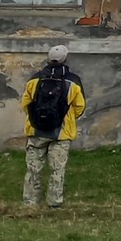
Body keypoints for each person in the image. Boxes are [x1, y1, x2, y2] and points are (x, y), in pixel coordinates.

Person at [20, 44, 85, 209]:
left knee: (33, 167)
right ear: (66, 59)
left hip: (36, 130)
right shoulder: (73, 82)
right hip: (61, 132)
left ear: (48, 59)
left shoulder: (34, 79)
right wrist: (67, 119)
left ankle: (30, 201)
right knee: (57, 169)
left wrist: (35, 118)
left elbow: (25, 103)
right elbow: (80, 107)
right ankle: (54, 203)